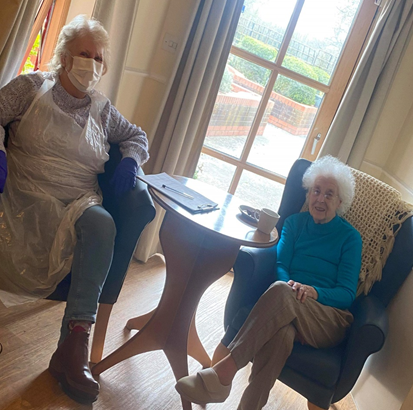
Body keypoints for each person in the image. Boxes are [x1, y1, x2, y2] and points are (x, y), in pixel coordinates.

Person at [0, 16, 149, 404]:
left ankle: (74, 346)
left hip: (78, 200)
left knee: (103, 225)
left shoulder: (102, 109)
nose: (92, 64)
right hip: (22, 193)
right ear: (65, 56)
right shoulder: (31, 87)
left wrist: (131, 161)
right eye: (85, 54)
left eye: (98, 58)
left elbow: (136, 135)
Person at [175, 156, 363, 410]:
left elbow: (346, 293)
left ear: (340, 202)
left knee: (284, 293)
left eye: (329, 194)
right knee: (281, 336)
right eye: (316, 191)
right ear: (308, 194)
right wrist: (291, 291)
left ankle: (224, 371)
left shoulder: (350, 238)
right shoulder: (294, 224)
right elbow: (281, 265)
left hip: (327, 318)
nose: (320, 199)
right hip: (288, 303)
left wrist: (313, 292)